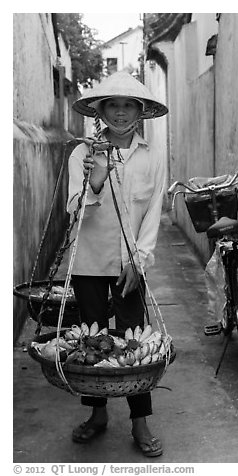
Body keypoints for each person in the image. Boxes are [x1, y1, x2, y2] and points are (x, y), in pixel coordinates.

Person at [67, 72, 168, 456]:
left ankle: (140, 422)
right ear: (101, 110)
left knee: (133, 340)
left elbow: (153, 213)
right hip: (90, 260)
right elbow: (73, 211)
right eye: (113, 105)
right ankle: (97, 415)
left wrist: (139, 260)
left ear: (140, 113)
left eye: (129, 106)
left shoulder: (151, 157)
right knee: (90, 340)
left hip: (130, 264)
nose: (121, 113)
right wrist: (94, 182)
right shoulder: (83, 154)